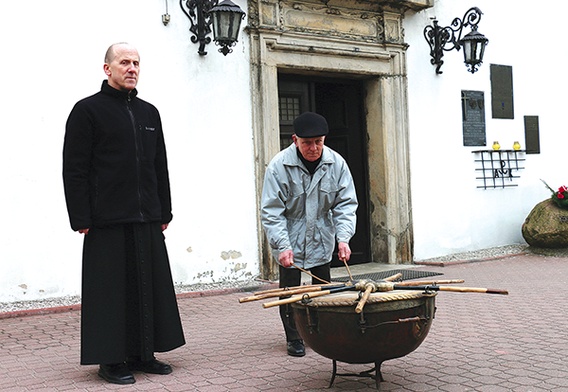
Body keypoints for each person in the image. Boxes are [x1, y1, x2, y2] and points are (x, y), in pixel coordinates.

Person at [63, 42, 185, 384]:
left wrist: (165, 210)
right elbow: (75, 168)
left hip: (147, 216)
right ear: (108, 69)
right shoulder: (87, 111)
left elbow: (159, 166)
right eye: (124, 62)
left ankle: (144, 354)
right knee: (111, 293)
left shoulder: (149, 113)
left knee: (147, 288)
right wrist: (81, 217)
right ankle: (111, 361)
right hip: (106, 219)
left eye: (136, 63)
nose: (131, 68)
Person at [260, 111, 358, 357]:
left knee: (324, 289)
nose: (314, 148)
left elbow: (346, 204)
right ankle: (294, 336)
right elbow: (272, 211)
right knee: (290, 291)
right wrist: (282, 246)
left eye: (318, 142)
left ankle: (319, 332)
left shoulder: (337, 164)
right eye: (307, 143)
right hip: (290, 237)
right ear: (295, 140)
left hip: (322, 237)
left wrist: (343, 239)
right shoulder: (278, 166)